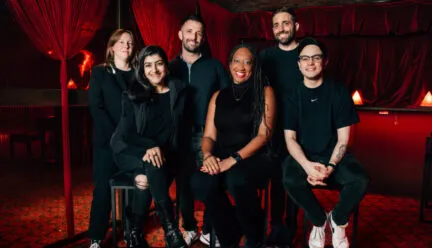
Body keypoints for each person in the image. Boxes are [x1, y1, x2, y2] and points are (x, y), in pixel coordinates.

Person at [282, 37, 369, 248]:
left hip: (333, 156)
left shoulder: (338, 92)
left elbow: (343, 140)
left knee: (360, 180)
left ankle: (338, 221)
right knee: (289, 179)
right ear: (299, 64)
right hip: (304, 155)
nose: (310, 63)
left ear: (325, 62)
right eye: (305, 58)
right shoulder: (292, 95)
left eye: (316, 57)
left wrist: (329, 167)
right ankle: (319, 221)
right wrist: (308, 166)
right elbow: (290, 139)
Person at [191, 44, 276, 248]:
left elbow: (264, 135)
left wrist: (233, 159)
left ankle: (253, 234)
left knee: (236, 178)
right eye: (237, 61)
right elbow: (209, 135)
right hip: (221, 154)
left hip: (254, 156)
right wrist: (208, 155)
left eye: (248, 62)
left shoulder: (265, 92)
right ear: (229, 65)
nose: (241, 66)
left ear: (254, 67)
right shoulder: (218, 96)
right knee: (200, 182)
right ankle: (232, 229)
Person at [111, 45, 188, 248]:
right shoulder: (132, 93)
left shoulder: (179, 91)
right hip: (129, 149)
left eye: (159, 64)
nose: (154, 70)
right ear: (142, 70)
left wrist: (162, 151)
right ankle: (170, 229)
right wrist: (151, 148)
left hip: (164, 153)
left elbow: (180, 131)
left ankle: (134, 231)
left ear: (166, 67)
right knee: (152, 165)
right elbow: (128, 134)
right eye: (148, 65)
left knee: (146, 176)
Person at [169, 14, 230, 246]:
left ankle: (208, 228)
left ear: (203, 37)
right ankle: (190, 227)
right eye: (189, 31)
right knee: (183, 183)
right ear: (180, 34)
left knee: (210, 181)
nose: (193, 37)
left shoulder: (215, 67)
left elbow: (226, 100)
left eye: (198, 33)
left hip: (209, 134)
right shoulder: (170, 67)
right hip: (180, 136)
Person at [88, 29, 139, 248]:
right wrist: (116, 138)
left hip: (134, 143)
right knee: (102, 190)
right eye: (121, 42)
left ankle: (131, 232)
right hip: (106, 143)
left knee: (136, 188)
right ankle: (97, 237)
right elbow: (96, 107)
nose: (126, 45)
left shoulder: (139, 74)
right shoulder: (99, 73)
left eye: (129, 42)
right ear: (112, 47)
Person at [259, 7, 303, 247]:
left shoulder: (306, 54)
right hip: (273, 130)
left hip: (299, 130)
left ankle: (292, 225)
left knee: (294, 179)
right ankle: (276, 227)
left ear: (296, 26)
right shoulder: (265, 57)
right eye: (276, 24)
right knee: (276, 180)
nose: (281, 28)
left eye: (286, 23)